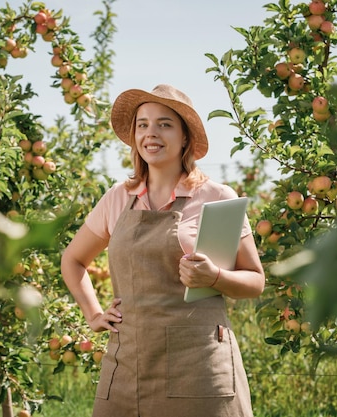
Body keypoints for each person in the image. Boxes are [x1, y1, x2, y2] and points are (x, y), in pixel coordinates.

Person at [61, 84, 266, 417]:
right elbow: (73, 260)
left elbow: (255, 280)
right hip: (127, 363)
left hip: (199, 366)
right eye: (142, 124)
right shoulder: (118, 197)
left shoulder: (217, 196)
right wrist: (94, 314)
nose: (150, 133)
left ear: (185, 137)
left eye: (164, 124)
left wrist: (214, 276)